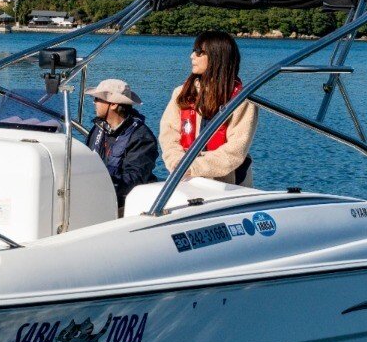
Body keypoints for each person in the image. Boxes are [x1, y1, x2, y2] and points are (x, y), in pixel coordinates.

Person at [159, 30, 256, 186]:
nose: (192, 56)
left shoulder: (242, 101)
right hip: (185, 179)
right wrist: (176, 162)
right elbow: (168, 134)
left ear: (217, 57)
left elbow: (236, 150)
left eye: (199, 52)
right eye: (193, 51)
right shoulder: (182, 93)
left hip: (228, 185)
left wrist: (193, 166)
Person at [83, 78, 158, 211]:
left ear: (113, 105)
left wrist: (99, 183)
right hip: (96, 198)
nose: (94, 102)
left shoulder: (142, 137)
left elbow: (135, 179)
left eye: (98, 99)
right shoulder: (98, 129)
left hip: (123, 206)